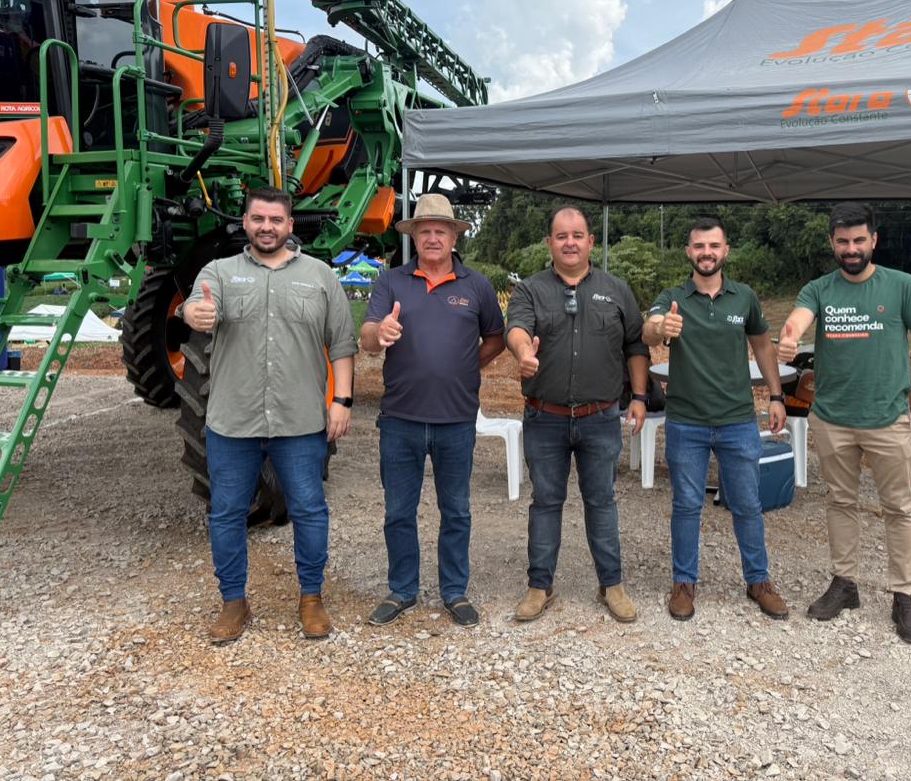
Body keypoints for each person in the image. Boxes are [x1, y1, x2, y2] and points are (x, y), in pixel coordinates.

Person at [181, 186, 356, 644]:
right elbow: (194, 306)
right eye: (258, 219)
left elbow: (342, 344)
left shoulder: (320, 277)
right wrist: (193, 312)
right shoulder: (219, 272)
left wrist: (343, 401)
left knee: (310, 510)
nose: (266, 227)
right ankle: (233, 601)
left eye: (276, 220)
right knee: (226, 514)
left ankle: (312, 598)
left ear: (290, 225)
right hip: (232, 422)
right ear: (245, 222)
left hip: (300, 423)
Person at [776, 201, 911, 646]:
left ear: (874, 240)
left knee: (899, 507)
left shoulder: (901, 286)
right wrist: (791, 334)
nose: (851, 249)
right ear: (832, 244)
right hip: (832, 418)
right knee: (840, 502)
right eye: (842, 241)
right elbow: (799, 318)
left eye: (859, 240)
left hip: (886, 416)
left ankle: (904, 596)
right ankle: (845, 584)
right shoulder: (819, 288)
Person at [361, 193, 505, 628]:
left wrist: (465, 363)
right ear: (414, 237)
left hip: (456, 420)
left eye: (441, 230)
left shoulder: (476, 286)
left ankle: (454, 591)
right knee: (398, 511)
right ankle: (402, 590)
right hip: (400, 419)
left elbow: (495, 338)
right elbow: (367, 337)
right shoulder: (392, 282)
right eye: (424, 230)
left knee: (456, 510)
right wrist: (379, 331)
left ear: (455, 235)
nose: (432, 237)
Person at [506, 206, 649, 623]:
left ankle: (612, 584)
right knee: (546, 502)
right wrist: (522, 351)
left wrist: (638, 397)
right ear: (550, 242)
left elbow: (636, 346)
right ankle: (539, 586)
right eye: (561, 235)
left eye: (577, 235)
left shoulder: (617, 290)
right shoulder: (529, 290)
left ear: (591, 242)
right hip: (544, 417)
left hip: (600, 418)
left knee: (601, 501)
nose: (569, 242)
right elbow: (516, 327)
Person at [643, 217, 791, 622]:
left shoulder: (744, 298)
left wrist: (776, 396)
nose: (706, 253)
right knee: (687, 505)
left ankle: (758, 580)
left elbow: (762, 346)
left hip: (738, 420)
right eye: (698, 246)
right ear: (689, 252)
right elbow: (648, 329)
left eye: (714, 246)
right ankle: (683, 583)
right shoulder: (674, 297)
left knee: (747, 504)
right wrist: (662, 326)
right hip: (686, 421)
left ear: (726, 251)